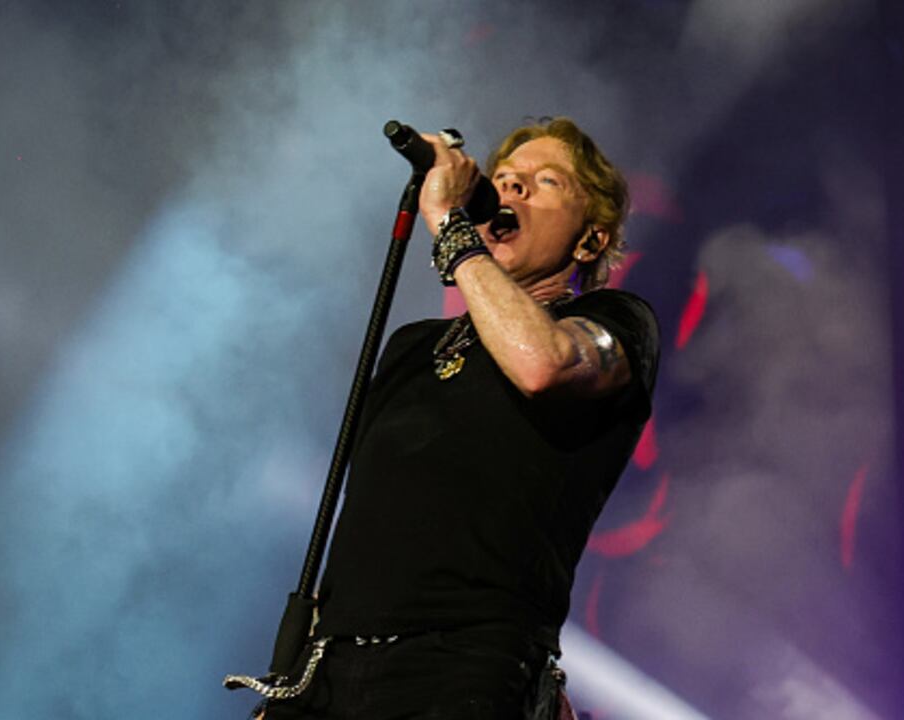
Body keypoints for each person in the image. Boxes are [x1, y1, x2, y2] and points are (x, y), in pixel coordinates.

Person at [261, 117, 660, 720]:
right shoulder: (411, 348)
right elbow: (365, 522)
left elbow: (542, 365)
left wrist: (450, 228)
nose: (513, 189)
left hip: (463, 669)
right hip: (331, 672)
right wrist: (295, 678)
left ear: (590, 242)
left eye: (544, 181)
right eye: (503, 178)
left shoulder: (619, 322)